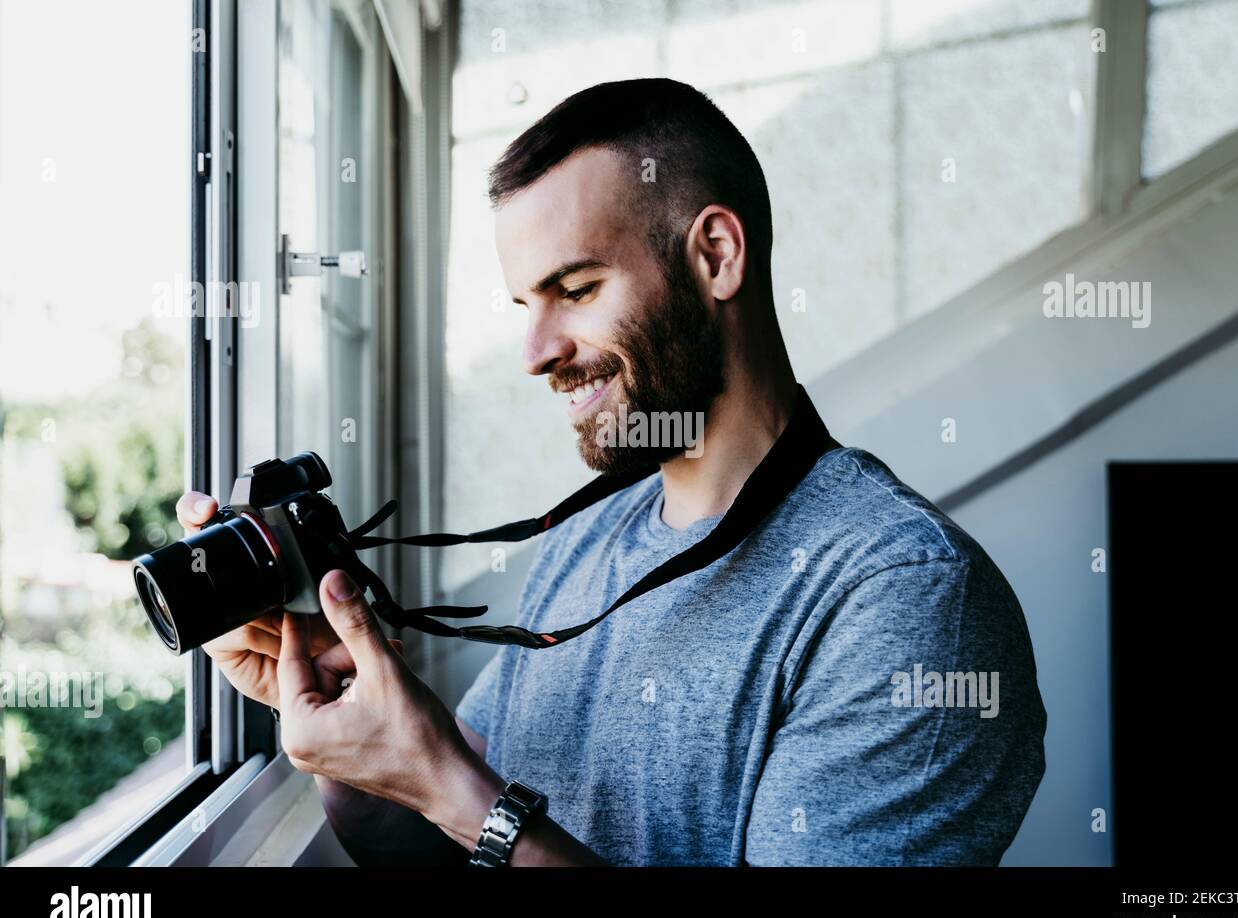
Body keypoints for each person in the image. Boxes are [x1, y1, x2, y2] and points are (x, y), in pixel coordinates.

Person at [177, 78, 1046, 866]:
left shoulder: (908, 600)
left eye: (579, 289)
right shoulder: (586, 543)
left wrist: (459, 792)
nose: (535, 353)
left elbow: (476, 817)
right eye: (526, 305)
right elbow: (445, 859)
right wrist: (359, 739)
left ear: (715, 256)